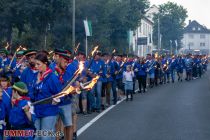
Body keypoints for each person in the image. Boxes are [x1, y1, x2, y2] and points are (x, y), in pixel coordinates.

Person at [32, 52, 62, 140]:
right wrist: (37, 83)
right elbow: (32, 94)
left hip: (49, 111)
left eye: (38, 64)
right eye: (35, 64)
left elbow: (60, 94)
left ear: (45, 64)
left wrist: (57, 99)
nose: (36, 66)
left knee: (46, 137)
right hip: (37, 110)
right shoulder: (36, 76)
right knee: (37, 136)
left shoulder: (52, 77)